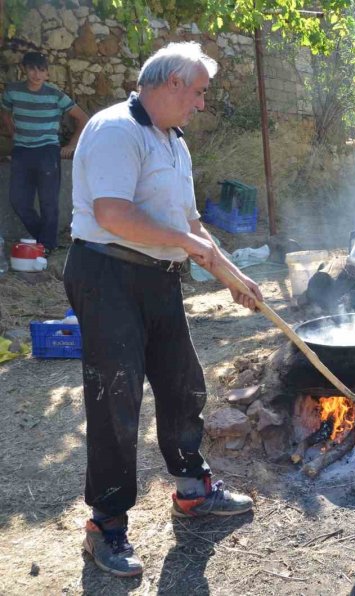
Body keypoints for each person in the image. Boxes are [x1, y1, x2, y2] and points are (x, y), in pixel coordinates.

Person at [64, 41, 263, 578]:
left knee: (183, 384)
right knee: (116, 397)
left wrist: (232, 276)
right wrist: (187, 243)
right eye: (197, 92)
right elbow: (112, 214)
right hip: (106, 274)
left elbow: (192, 226)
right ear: (171, 83)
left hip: (157, 277)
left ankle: (193, 490)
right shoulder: (114, 130)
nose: (201, 104)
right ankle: (105, 525)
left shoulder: (174, 142)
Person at [1, 51, 88, 251]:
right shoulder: (12, 92)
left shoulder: (55, 94)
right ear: (24, 69)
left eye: (41, 70)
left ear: (47, 73)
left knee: (49, 202)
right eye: (32, 69)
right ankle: (44, 239)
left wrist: (71, 146)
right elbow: (5, 111)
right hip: (22, 151)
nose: (36, 74)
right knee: (18, 200)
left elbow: (83, 118)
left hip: (47, 151)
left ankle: (46, 246)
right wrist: (11, 129)